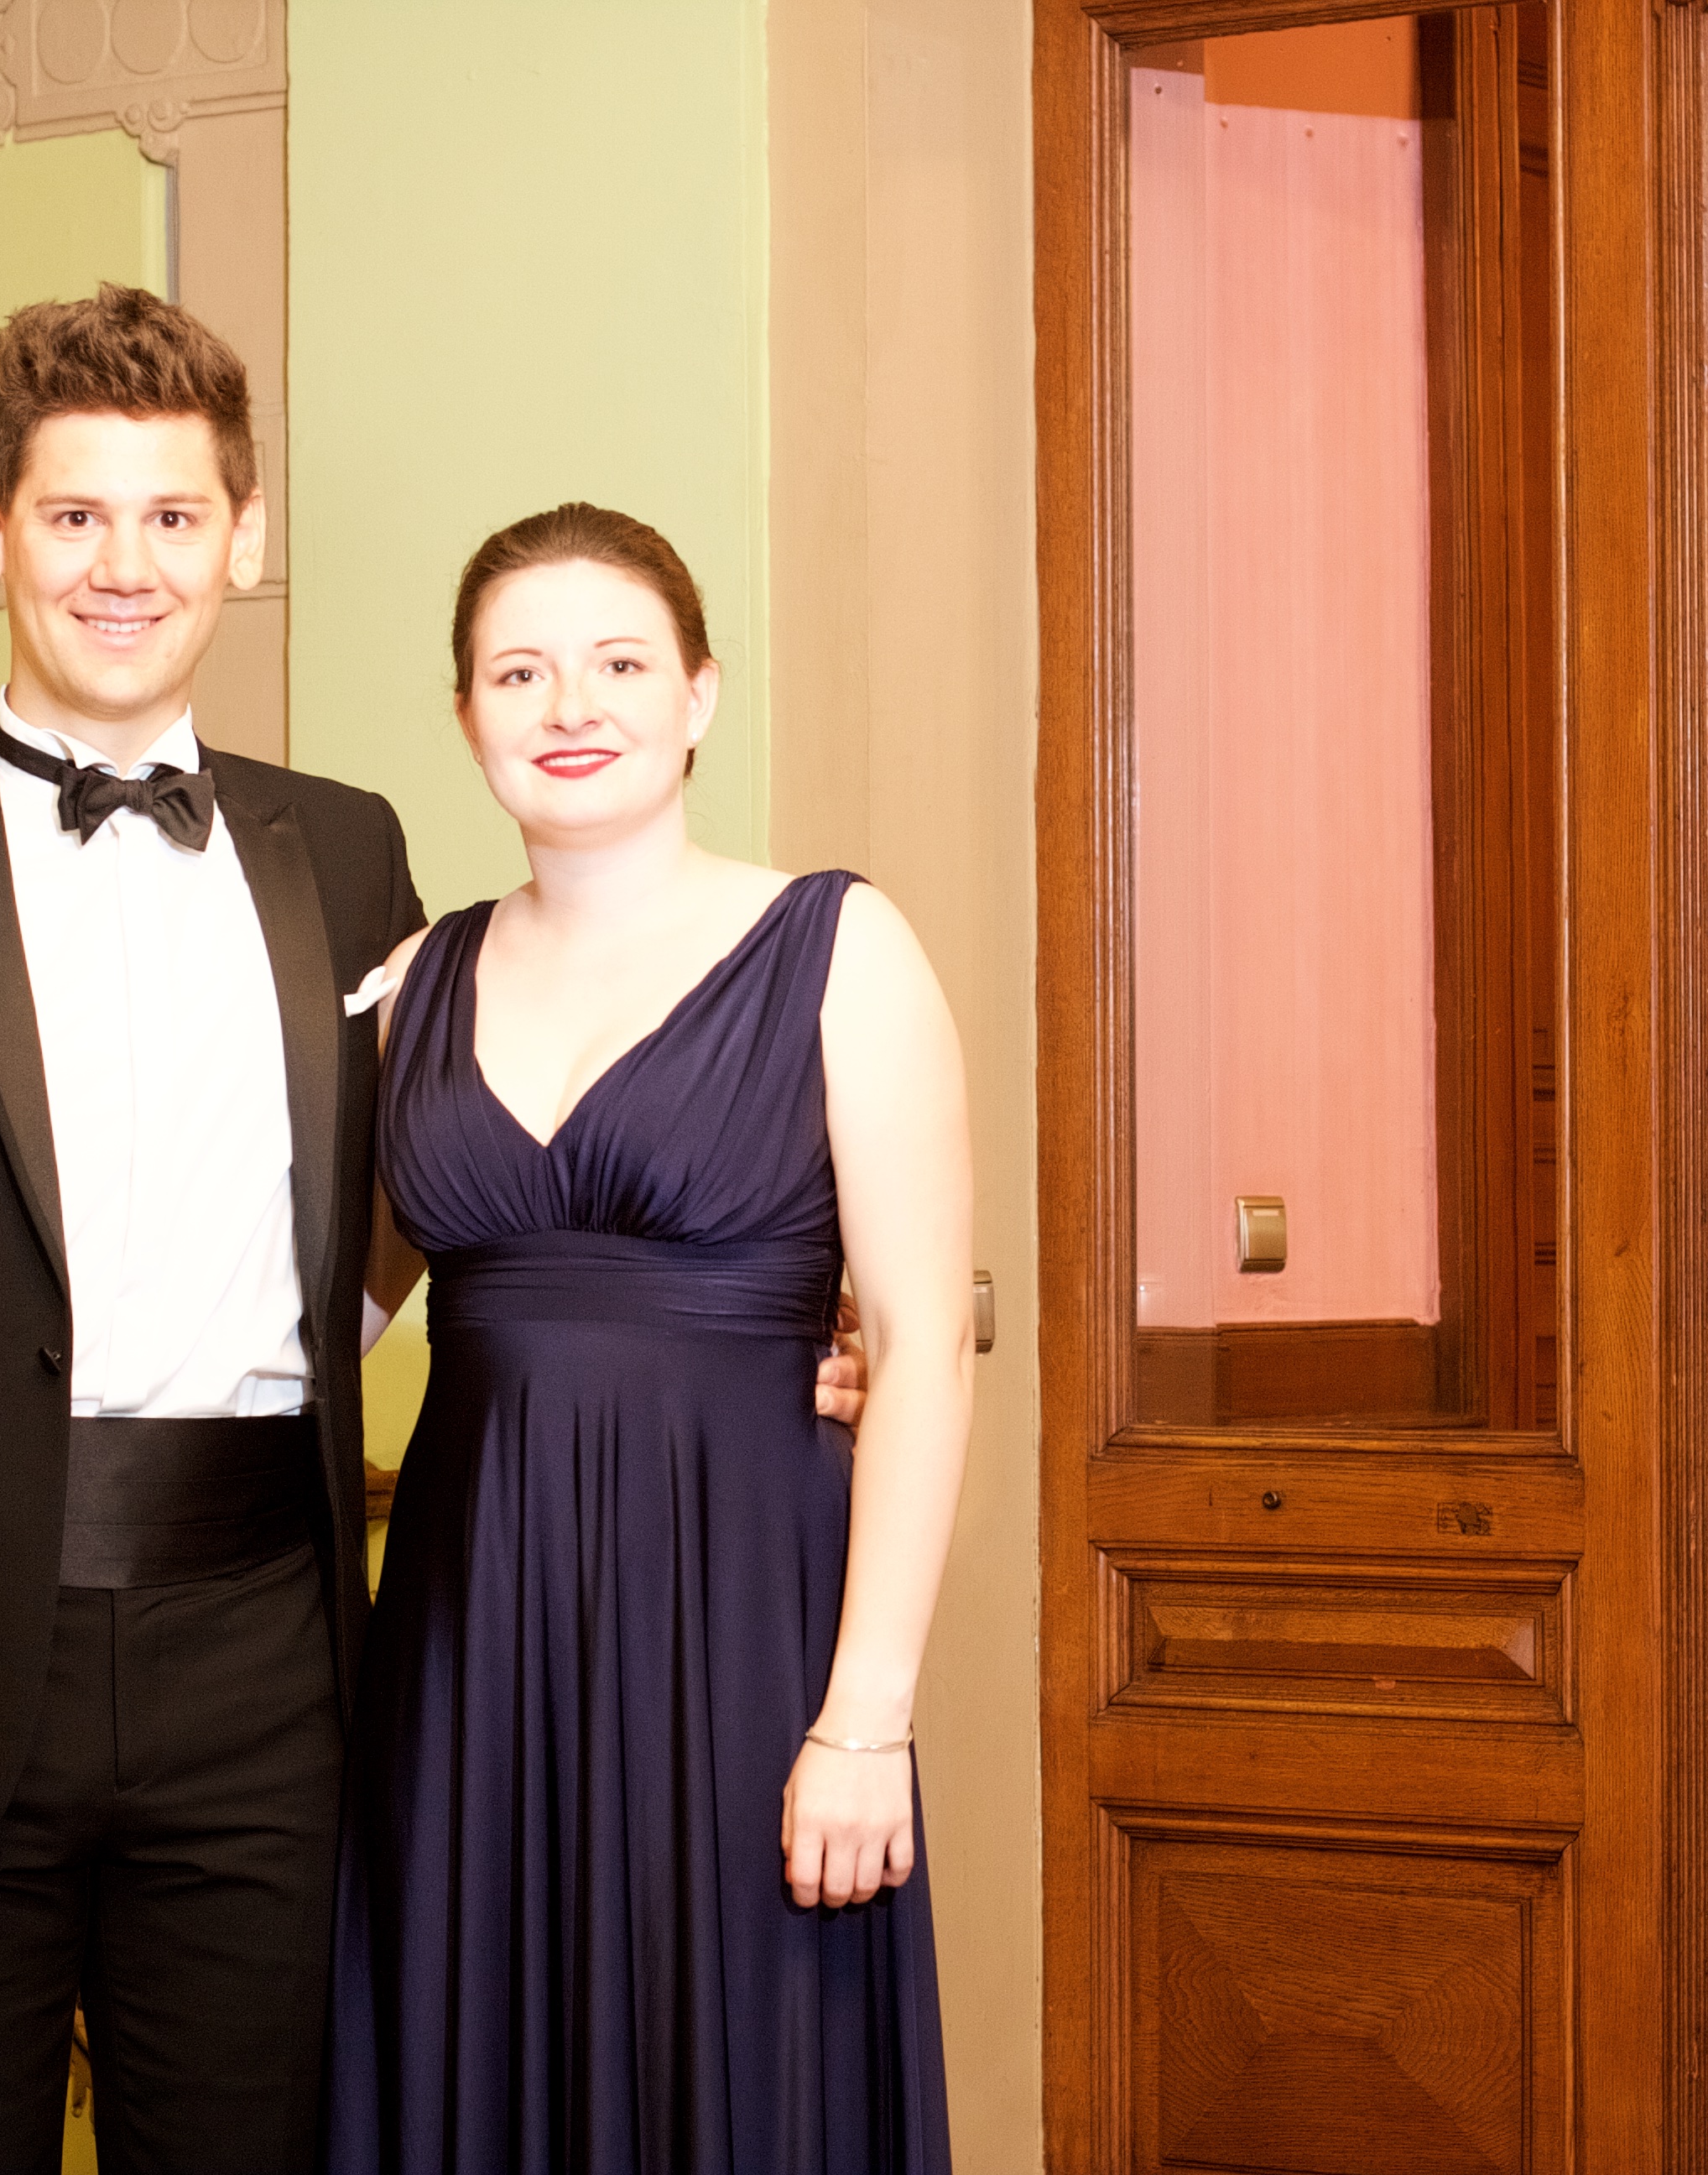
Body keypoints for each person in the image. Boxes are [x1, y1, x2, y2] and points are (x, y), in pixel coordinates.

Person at [0, 289, 862, 2172]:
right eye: (74, 516)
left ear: (245, 538)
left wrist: (775, 1336)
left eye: (172, 517)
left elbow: (457, 1194)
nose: (123, 567)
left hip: (270, 1685)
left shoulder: (349, 854)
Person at [328, 505, 971, 2173]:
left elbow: (919, 1340)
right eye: (518, 673)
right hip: (471, 1641)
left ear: (698, 695)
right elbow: (339, 1317)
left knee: (737, 2076)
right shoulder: (414, 987)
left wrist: (867, 1720)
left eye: (619, 664)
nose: (570, 706)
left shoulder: (839, 948)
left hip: (742, 1625)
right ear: (465, 716)